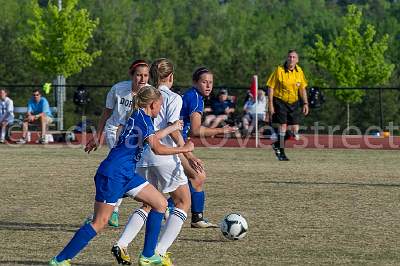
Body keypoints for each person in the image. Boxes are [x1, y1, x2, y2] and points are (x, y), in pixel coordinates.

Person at [49, 85, 194, 266]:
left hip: (125, 173)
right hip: (113, 174)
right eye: (160, 105)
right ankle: (60, 260)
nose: (161, 109)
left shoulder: (141, 116)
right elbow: (157, 148)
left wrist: (171, 128)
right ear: (152, 104)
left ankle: (148, 256)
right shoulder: (143, 119)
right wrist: (184, 149)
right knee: (100, 222)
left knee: (160, 203)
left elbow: (153, 138)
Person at [112, 58, 199, 266]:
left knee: (149, 204)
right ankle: (158, 252)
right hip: (165, 157)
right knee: (183, 202)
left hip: (142, 157)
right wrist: (188, 153)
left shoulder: (144, 92)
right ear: (171, 77)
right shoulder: (173, 97)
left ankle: (122, 244)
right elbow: (174, 129)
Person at [84, 59, 150, 227]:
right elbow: (106, 113)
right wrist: (98, 135)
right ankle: (112, 210)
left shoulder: (151, 93)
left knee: (128, 170)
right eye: (138, 75)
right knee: (121, 169)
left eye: (146, 75)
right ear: (131, 75)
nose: (142, 79)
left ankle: (112, 209)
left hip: (136, 136)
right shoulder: (118, 89)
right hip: (115, 131)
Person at [176, 67, 237, 228]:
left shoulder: (192, 95)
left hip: (177, 141)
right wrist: (221, 130)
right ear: (195, 82)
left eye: (210, 82)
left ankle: (194, 216)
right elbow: (196, 130)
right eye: (204, 82)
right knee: (197, 176)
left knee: (193, 177)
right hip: (174, 143)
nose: (208, 86)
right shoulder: (195, 98)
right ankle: (187, 214)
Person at [266, 49, 309, 161]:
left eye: (294, 57)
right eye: (290, 57)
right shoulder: (279, 70)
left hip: (294, 102)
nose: (291, 59)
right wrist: (270, 104)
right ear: (287, 58)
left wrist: (305, 103)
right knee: (283, 126)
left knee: (295, 129)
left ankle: (277, 144)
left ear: (297, 60)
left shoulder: (299, 71)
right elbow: (270, 87)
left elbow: (302, 88)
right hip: (280, 101)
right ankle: (281, 152)